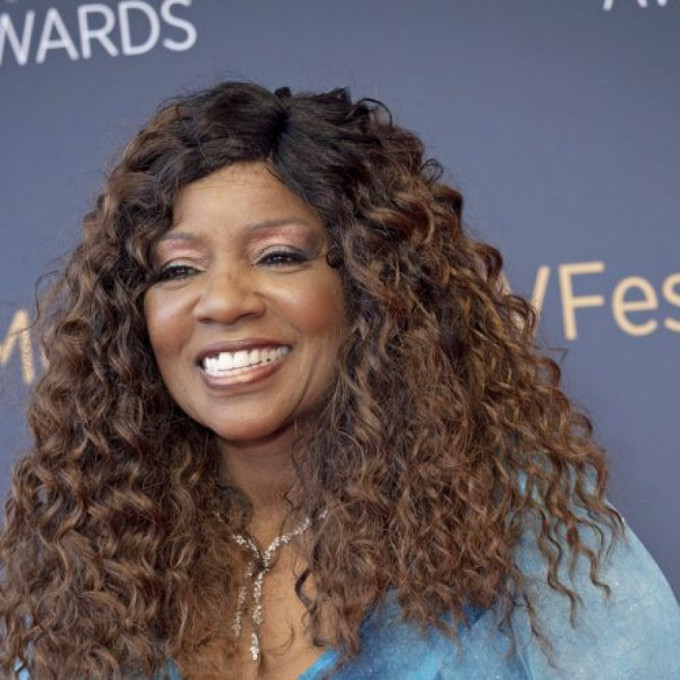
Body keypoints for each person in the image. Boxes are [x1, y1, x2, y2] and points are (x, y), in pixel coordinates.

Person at [1, 81, 679, 680]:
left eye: (278, 256)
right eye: (177, 269)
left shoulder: (515, 525)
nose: (222, 301)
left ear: (371, 287)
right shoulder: (100, 557)